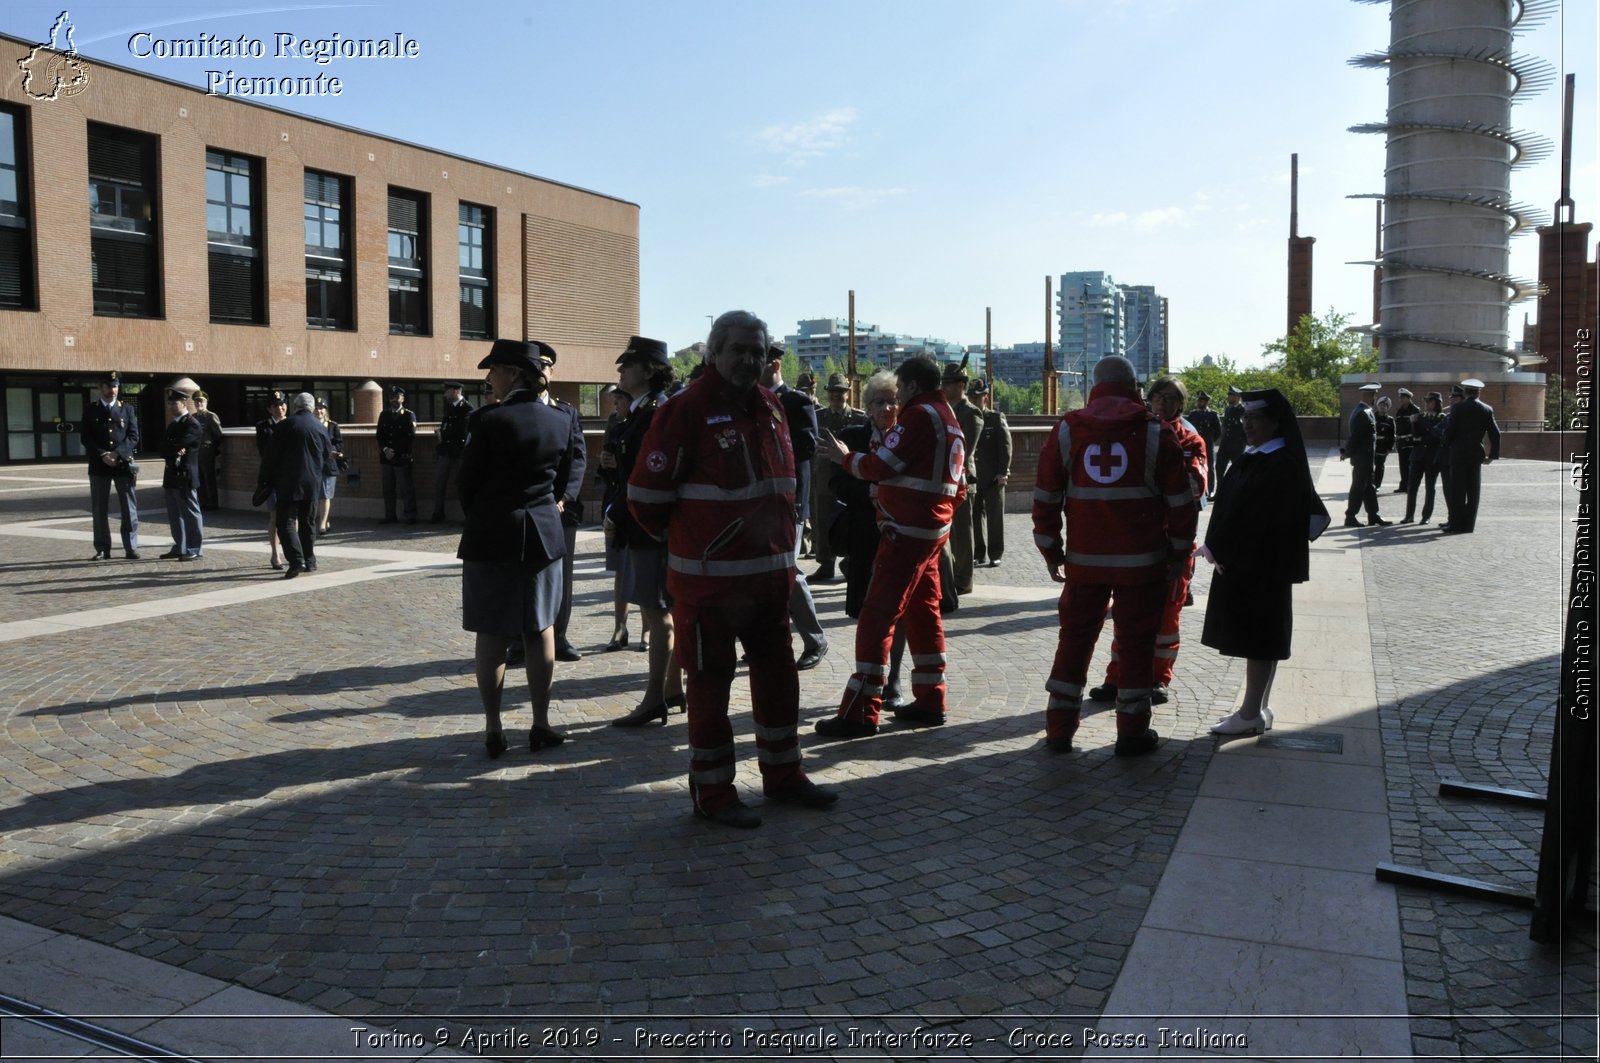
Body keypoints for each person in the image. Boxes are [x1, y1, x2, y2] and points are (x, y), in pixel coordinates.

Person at [627, 311, 837, 827]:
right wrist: (696, 547)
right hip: (709, 591)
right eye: (738, 349)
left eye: (758, 351)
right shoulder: (685, 410)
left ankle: (784, 776)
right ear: (714, 353)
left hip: (769, 587)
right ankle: (714, 795)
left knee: (778, 683)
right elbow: (645, 499)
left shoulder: (771, 407)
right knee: (709, 690)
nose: (749, 359)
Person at [1032, 356, 1197, 757]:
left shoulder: (1068, 429)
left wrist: (1051, 549)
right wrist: (1177, 555)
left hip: (1084, 563)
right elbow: (1182, 504)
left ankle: (1058, 730)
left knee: (1073, 641)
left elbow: (1046, 496)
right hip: (1143, 564)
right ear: (1135, 387)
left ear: (1095, 384)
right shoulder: (1157, 433)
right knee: (1137, 646)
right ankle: (1132, 732)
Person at [816, 355, 966, 738]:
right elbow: (960, 489)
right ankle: (932, 698)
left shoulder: (919, 416)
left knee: (877, 615)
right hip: (931, 533)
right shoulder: (949, 418)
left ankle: (861, 710)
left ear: (912, 386)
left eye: (899, 390)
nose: (895, 400)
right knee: (922, 612)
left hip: (906, 533)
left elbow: (880, 466)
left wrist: (845, 459)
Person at [457, 339, 573, 758]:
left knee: (492, 631)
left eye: (494, 370)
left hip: (492, 532)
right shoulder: (560, 420)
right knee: (540, 628)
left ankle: (494, 727)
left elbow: (466, 484)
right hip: (542, 531)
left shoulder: (487, 420)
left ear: (513, 373)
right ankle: (540, 722)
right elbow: (561, 483)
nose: (489, 377)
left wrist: (486, 514)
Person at [1200, 388, 1331, 734]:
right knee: (1261, 638)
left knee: (1259, 639)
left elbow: (1265, 522)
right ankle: (1257, 708)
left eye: (1255, 418)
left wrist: (1227, 551)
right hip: (1249, 565)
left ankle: (1249, 714)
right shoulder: (1259, 457)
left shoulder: (1281, 464)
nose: (1247, 424)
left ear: (1276, 422)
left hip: (1259, 567)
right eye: (1245, 418)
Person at [1088, 375, 1208, 706]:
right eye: (1158, 397)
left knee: (1167, 617)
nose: (1163, 403)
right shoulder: (1137, 431)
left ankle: (1158, 678)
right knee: (1126, 615)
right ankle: (1117, 677)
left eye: (1171, 398)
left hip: (1173, 542)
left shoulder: (1191, 440)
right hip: (1138, 541)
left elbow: (1194, 489)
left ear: (1181, 404)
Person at [608, 336, 684, 724]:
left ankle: (656, 696)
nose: (620, 370)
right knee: (658, 610)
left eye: (628, 365)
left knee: (658, 613)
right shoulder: (641, 410)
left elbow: (649, 474)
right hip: (641, 523)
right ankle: (671, 688)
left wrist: (619, 512)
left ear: (650, 370)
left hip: (650, 526)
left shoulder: (656, 412)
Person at [830, 370, 912, 708]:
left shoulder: (908, 438)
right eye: (880, 402)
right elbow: (836, 485)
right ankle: (868, 675)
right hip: (865, 533)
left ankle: (893, 679)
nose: (888, 408)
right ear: (867, 406)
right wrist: (869, 483)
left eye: (894, 401)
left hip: (900, 533)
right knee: (868, 610)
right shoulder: (853, 436)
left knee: (898, 609)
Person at [763, 344, 828, 670]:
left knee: (789, 570)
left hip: (791, 501)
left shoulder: (796, 401)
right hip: (760, 502)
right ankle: (770, 637)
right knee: (767, 572)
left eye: (757, 359)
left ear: (774, 364)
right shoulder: (749, 400)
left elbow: (806, 447)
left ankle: (815, 639)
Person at [260, 393, 335, 579]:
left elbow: (271, 456)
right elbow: (327, 454)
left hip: (288, 482)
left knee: (285, 522)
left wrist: (265, 480)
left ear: (295, 407)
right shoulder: (320, 426)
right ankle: (310, 560)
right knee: (308, 522)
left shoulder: (285, 425)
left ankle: (296, 561)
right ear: (310, 407)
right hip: (312, 482)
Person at [544, 360, 588, 663]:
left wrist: (567, 496)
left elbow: (578, 458)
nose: (540, 372)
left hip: (562, 507)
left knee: (563, 574)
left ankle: (559, 637)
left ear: (552, 373)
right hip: (529, 508)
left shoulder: (567, 411)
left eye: (545, 367)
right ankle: (521, 641)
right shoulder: (514, 410)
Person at [812, 373, 868, 581]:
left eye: (841, 391)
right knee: (821, 521)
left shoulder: (859, 418)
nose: (836, 395)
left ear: (847, 393)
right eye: (833, 391)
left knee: (851, 520)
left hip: (849, 477)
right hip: (825, 476)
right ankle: (826, 563)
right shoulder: (817, 416)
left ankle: (850, 561)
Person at [84, 370, 141, 560]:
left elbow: (133, 436)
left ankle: (131, 547)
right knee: (99, 508)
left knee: (128, 508)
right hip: (99, 465)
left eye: (115, 386)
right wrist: (102, 454)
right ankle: (102, 548)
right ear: (100, 388)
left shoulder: (127, 409)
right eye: (108, 386)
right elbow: (86, 437)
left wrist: (117, 454)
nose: (113, 390)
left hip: (122, 464)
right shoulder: (90, 409)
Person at [598, 385, 638, 651]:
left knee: (645, 572)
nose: (615, 407)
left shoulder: (645, 421)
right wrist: (606, 464)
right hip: (616, 503)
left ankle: (647, 631)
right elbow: (606, 468)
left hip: (637, 505)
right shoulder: (614, 424)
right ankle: (620, 629)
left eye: (618, 401)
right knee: (620, 571)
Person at [941, 359, 982, 595]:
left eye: (949, 383)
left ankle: (964, 580)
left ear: (960, 385)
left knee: (963, 533)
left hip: (963, 479)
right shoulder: (946, 409)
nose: (944, 387)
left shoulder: (971, 413)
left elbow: (965, 449)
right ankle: (953, 575)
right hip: (947, 479)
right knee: (950, 531)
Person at [1440, 378, 1501, 535]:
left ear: (1466, 392)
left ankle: (1455, 524)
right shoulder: (1486, 409)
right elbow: (1495, 433)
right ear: (1479, 392)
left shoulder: (1458, 409)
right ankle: (1469, 526)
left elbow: (1449, 431)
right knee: (1473, 491)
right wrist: (1492, 455)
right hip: (1476, 455)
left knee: (1457, 491)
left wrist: (1446, 443)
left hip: (1458, 454)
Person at [968, 377, 1012, 568]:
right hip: (973, 477)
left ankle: (995, 553)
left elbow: (1006, 446)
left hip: (994, 477)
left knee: (995, 518)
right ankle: (979, 553)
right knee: (975, 517)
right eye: (972, 397)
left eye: (979, 397)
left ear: (985, 397)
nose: (976, 400)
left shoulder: (995, 418)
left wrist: (1003, 472)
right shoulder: (967, 418)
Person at [157, 388, 204, 561]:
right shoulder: (173, 424)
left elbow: (179, 443)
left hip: (185, 474)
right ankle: (180, 546)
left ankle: (194, 548)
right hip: (171, 472)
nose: (170, 406)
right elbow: (163, 448)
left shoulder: (191, 424)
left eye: (174, 403)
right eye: (168, 403)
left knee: (190, 512)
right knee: (174, 513)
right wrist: (173, 448)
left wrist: (174, 447)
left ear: (184, 403)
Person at [1341, 382, 1389, 527]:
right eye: (1374, 395)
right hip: (1362, 458)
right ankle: (1350, 517)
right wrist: (1346, 453)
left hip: (1366, 458)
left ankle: (1373, 515)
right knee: (1358, 487)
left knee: (1369, 487)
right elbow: (1356, 436)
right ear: (1370, 396)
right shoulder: (1362, 413)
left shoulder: (1365, 411)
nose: (1375, 398)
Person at [430, 381, 474, 522]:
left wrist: (445, 433)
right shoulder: (449, 407)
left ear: (455, 392)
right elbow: (445, 426)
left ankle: (467, 515)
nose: (445, 394)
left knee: (463, 484)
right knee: (439, 482)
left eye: (447, 391)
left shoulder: (467, 408)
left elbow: (462, 430)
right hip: (446, 451)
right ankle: (438, 513)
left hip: (459, 451)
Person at [1402, 392, 1447, 525]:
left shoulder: (1442, 418)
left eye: (1430, 401)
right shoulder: (1420, 417)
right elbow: (1416, 435)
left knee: (1430, 487)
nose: (1427, 403)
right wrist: (1414, 422)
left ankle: (1426, 516)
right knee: (1412, 487)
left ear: (1437, 402)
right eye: (1426, 401)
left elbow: (1437, 437)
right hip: (1417, 456)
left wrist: (1424, 437)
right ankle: (1409, 515)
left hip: (1432, 457)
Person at [255, 391, 288, 568]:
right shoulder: (263, 427)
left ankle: (291, 551)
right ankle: (276, 555)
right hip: (273, 478)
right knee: (275, 516)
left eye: (282, 404)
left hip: (291, 478)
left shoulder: (293, 423)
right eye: (276, 406)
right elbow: (265, 452)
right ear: (269, 409)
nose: (280, 408)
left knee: (292, 517)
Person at [377, 384, 418, 524]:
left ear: (402, 398)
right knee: (388, 488)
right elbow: (379, 436)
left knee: (406, 488)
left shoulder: (408, 415)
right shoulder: (384, 415)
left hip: (402, 457)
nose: (393, 399)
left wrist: (395, 451)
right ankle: (390, 515)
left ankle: (410, 515)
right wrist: (386, 449)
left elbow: (410, 436)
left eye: (396, 397)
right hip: (386, 458)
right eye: (391, 397)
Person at [314, 397, 344, 535]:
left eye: (321, 408)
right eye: (316, 408)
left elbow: (339, 443)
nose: (318, 411)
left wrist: (331, 450)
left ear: (325, 410)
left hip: (328, 465)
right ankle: (324, 520)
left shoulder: (332, 425)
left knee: (325, 496)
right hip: (313, 466)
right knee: (314, 496)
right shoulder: (310, 424)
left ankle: (322, 525)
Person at [1186, 390, 1223, 499]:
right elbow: (1188, 428)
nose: (1200, 403)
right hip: (1195, 445)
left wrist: (1211, 440)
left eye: (1202, 401)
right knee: (1194, 465)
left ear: (1206, 402)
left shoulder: (1212, 414)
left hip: (1207, 444)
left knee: (1210, 466)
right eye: (1199, 401)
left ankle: (1210, 489)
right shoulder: (1193, 414)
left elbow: (1218, 431)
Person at [192, 390, 224, 512]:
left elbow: (219, 435)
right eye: (197, 401)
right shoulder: (193, 417)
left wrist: (213, 448)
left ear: (206, 403)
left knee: (209, 477)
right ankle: (203, 501)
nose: (199, 403)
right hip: (196, 452)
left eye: (201, 401)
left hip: (207, 451)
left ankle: (212, 502)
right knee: (199, 478)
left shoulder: (211, 416)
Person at [1215, 385, 1247, 485]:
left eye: (1231, 395)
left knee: (1237, 470)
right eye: (1229, 395)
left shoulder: (1243, 410)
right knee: (1219, 468)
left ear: (1237, 397)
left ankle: (1236, 493)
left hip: (1237, 445)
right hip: (1225, 444)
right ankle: (1220, 492)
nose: (1229, 397)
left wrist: (1243, 442)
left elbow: (1246, 427)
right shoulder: (1228, 410)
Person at [1392, 388, 1420, 495]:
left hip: (1411, 442)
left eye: (1403, 398)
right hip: (1401, 442)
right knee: (1402, 465)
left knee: (1410, 466)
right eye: (1400, 398)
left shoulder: (1415, 410)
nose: (1401, 400)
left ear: (1408, 398)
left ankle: (1410, 486)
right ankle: (1403, 486)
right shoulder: (1400, 411)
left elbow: (1418, 426)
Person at [1373, 395, 1396, 489]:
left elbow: (1392, 435)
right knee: (1369, 467)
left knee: (1379, 466)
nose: (1382, 407)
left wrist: (1390, 448)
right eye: (1381, 405)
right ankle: (1370, 484)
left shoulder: (1390, 420)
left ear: (1388, 408)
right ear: (1377, 406)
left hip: (1383, 446)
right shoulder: (1372, 417)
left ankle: (1377, 485)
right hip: (1372, 445)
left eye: (1385, 405)